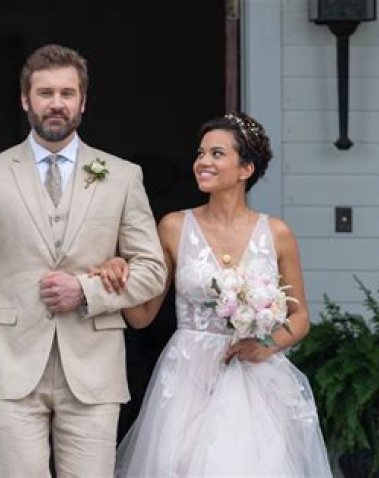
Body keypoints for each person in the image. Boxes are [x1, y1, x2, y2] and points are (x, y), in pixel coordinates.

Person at [0, 43, 167, 478]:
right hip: (10, 366)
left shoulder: (122, 176)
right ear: (25, 100)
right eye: (45, 93)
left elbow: (153, 271)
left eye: (67, 93)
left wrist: (85, 291)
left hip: (93, 367)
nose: (56, 103)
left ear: (82, 102)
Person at [92, 112, 333, 476]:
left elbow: (299, 317)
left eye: (217, 154)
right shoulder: (173, 227)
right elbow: (142, 316)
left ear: (246, 168)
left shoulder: (277, 233)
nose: (203, 162)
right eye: (200, 153)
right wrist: (118, 277)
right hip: (187, 380)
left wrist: (266, 345)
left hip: (255, 380)